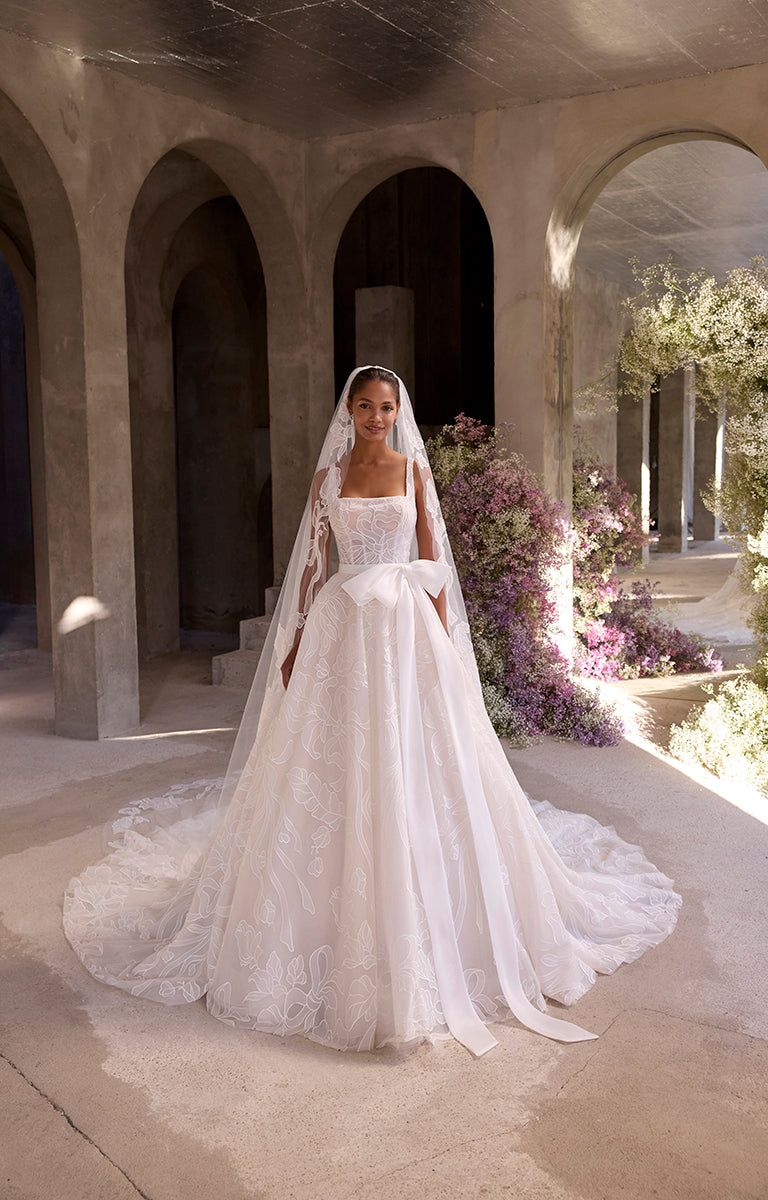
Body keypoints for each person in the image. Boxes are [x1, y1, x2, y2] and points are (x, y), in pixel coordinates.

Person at [63, 366, 680, 1056]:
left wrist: (445, 643)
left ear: (397, 412)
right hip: (342, 627)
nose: (378, 417)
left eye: (388, 407)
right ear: (349, 411)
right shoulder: (328, 480)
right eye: (367, 406)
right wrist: (294, 641)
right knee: (332, 760)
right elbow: (311, 569)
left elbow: (431, 558)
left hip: (406, 628)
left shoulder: (413, 471)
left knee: (420, 757)